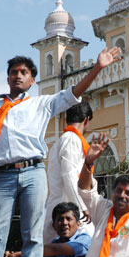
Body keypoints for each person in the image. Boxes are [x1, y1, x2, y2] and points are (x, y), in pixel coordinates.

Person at [0, 47, 121, 257]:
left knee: (33, 235)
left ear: (31, 80)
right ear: (7, 78)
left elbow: (73, 94)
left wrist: (98, 68)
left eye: (24, 72)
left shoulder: (40, 104)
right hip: (2, 176)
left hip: (33, 172)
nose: (18, 75)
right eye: (14, 72)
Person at [43, 101, 95, 246]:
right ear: (86, 120)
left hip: (64, 205)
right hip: (67, 208)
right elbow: (69, 175)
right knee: (89, 242)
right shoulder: (71, 139)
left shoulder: (64, 140)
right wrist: (82, 207)